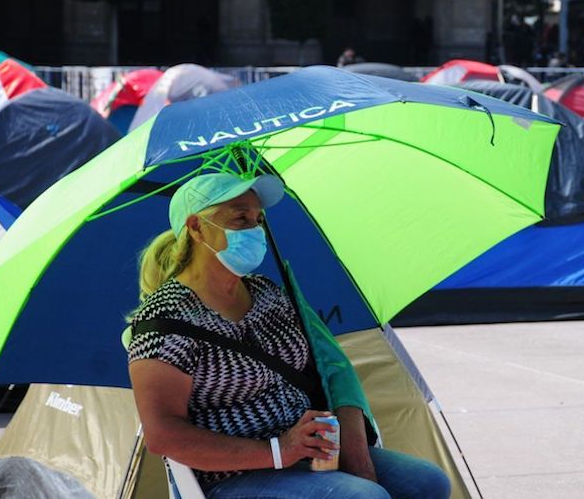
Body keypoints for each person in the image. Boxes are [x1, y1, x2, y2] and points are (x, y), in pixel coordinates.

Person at [128, 172, 450, 498]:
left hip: (309, 453)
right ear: (196, 227)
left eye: (258, 220)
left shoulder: (267, 292)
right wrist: (279, 450)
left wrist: (351, 454)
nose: (255, 231)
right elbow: (164, 435)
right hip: (232, 475)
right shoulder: (164, 319)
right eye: (241, 218)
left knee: (428, 482)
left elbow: (329, 372)